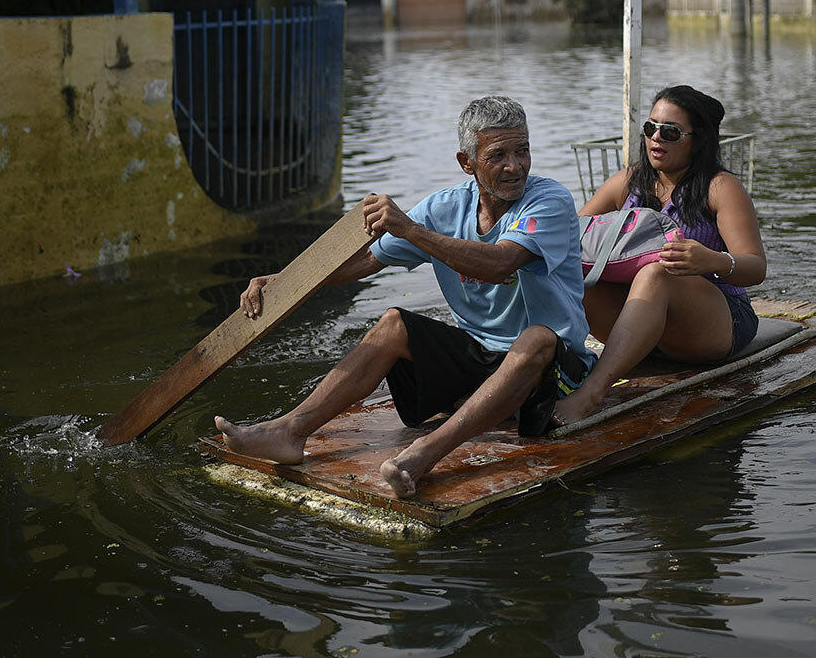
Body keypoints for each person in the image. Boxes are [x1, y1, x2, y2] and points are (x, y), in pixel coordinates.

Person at [214, 95, 593, 499]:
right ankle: (289, 431)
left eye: (522, 151)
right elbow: (362, 264)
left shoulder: (549, 201)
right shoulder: (444, 208)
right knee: (394, 323)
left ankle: (422, 455)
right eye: (498, 155)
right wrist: (283, 281)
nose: (514, 166)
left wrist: (411, 230)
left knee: (538, 337)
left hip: (554, 375)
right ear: (467, 163)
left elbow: (501, 262)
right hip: (481, 360)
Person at [553, 85, 767, 425]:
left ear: (698, 140)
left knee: (657, 272)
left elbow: (756, 268)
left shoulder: (720, 188)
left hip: (717, 322)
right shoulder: (627, 182)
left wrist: (711, 260)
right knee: (567, 271)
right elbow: (567, 238)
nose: (656, 139)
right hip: (643, 325)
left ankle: (592, 392)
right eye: (650, 128)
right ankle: (542, 369)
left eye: (670, 132)